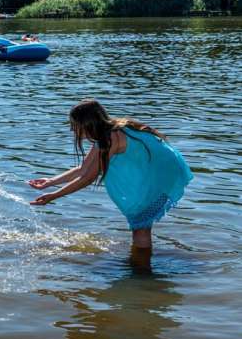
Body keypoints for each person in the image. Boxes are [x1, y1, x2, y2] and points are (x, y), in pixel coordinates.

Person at [28, 99, 192, 250]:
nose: (72, 129)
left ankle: (141, 267)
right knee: (141, 225)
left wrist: (54, 196)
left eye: (74, 125)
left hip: (159, 174)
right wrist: (50, 181)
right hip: (157, 171)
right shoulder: (107, 133)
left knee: (140, 227)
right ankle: (141, 264)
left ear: (87, 123)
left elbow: (88, 178)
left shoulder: (111, 137)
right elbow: (83, 168)